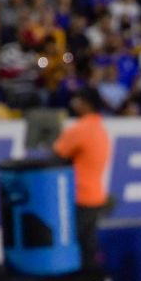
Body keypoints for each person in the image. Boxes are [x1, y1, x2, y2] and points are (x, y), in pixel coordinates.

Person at [53, 87, 110, 268]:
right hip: (95, 195)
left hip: (78, 195)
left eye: (78, 99)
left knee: (75, 246)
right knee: (89, 245)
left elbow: (56, 155)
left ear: (86, 103)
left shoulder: (80, 129)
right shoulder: (100, 129)